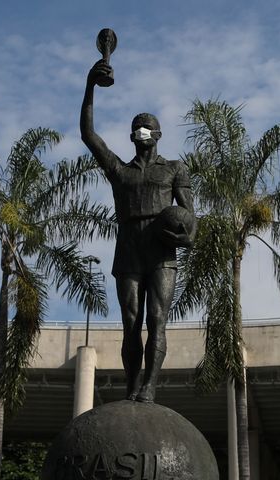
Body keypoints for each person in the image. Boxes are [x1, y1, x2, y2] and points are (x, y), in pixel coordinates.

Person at [81, 60, 195, 403]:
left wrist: (187, 237)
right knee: (131, 323)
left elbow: (191, 216)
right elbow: (88, 135)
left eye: (147, 127)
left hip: (161, 250)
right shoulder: (119, 170)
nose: (141, 130)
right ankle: (132, 386)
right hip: (129, 246)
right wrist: (90, 87)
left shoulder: (175, 168)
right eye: (137, 127)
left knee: (156, 320)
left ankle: (150, 386)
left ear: (158, 134)